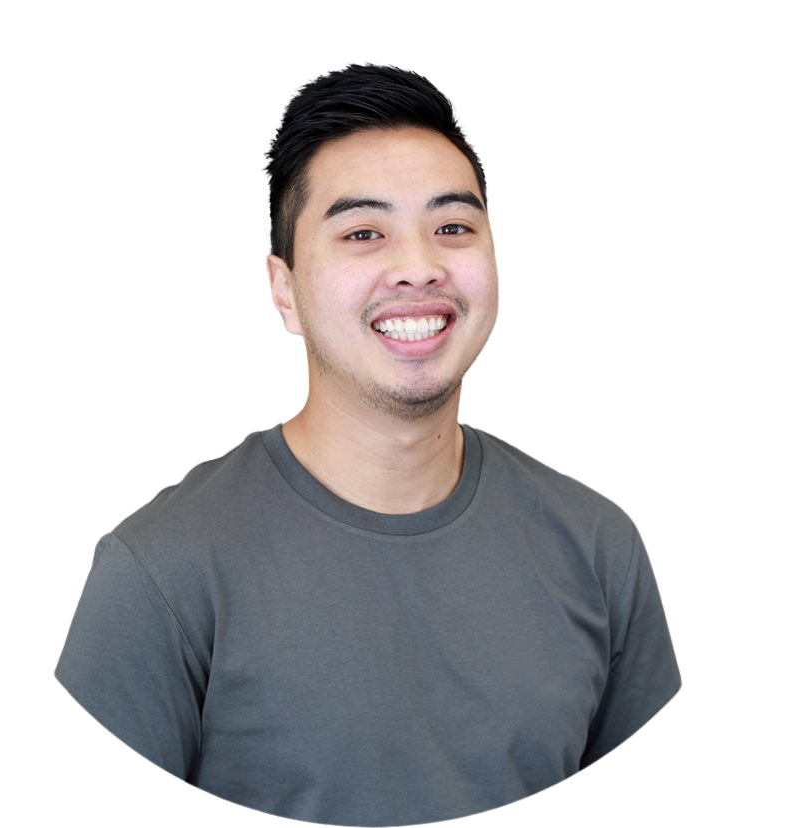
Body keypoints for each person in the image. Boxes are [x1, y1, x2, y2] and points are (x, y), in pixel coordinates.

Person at [54, 63, 682, 826]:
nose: (419, 267)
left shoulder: (599, 546)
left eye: (453, 228)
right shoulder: (158, 571)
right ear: (283, 287)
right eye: (363, 233)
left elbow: (651, 808)